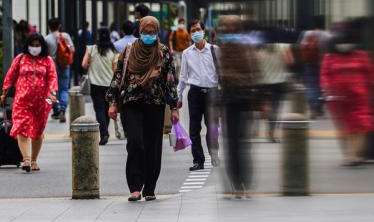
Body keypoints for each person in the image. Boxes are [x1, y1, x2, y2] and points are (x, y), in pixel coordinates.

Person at [107, 16, 178, 202]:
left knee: (153, 146)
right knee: (136, 142)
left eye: (152, 32)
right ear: (140, 31)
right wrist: (113, 102)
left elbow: (170, 81)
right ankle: (135, 187)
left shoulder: (163, 52)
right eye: (145, 32)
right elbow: (117, 77)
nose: (148, 35)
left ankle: (150, 188)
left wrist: (174, 107)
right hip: (132, 102)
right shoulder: (129, 51)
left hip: (155, 104)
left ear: (157, 32)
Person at [320, 25, 374, 166]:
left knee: (361, 125)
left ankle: (356, 155)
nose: (344, 45)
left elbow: (371, 74)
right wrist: (326, 89)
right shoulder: (329, 57)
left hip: (360, 95)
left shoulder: (362, 56)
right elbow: (324, 75)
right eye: (341, 42)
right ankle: (348, 154)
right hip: (337, 98)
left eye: (347, 41)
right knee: (344, 128)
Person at [217, 15, 260, 198]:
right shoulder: (221, 49)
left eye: (232, 26)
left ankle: (244, 184)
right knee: (231, 144)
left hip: (244, 98)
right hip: (229, 99)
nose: (229, 30)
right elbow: (217, 77)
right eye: (226, 26)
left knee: (243, 144)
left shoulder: (246, 47)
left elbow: (255, 73)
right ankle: (235, 184)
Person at [1, 33, 58, 172]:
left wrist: (52, 93)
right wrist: (4, 92)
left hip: (42, 101)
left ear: (42, 46)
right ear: (27, 45)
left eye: (38, 45)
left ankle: (34, 160)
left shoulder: (48, 60)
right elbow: (10, 76)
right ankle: (26, 159)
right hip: (22, 100)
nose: (34, 48)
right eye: (32, 45)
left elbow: (52, 78)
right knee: (21, 127)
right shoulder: (20, 59)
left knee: (38, 131)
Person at [177, 19, 220, 172]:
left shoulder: (215, 50)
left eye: (198, 30)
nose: (196, 33)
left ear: (203, 31)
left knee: (213, 127)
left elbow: (222, 73)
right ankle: (198, 160)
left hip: (212, 93)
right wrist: (179, 96)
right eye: (193, 30)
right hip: (194, 93)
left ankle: (214, 154)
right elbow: (182, 76)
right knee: (194, 129)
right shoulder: (187, 53)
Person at [82, 27, 118, 145]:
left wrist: (91, 65)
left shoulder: (91, 49)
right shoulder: (113, 51)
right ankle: (105, 132)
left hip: (95, 84)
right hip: (109, 85)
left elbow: (84, 64)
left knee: (99, 109)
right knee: (108, 108)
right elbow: (115, 69)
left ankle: (104, 133)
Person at [257, 27, 293, 142]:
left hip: (263, 82)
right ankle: (271, 132)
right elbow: (290, 62)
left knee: (267, 105)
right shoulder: (283, 47)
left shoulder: (259, 49)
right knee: (276, 107)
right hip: (279, 81)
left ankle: (266, 113)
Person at [45, 17, 75, 122]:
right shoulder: (65, 36)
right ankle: (63, 109)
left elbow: (45, 55)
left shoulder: (47, 39)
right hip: (65, 65)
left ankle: (56, 110)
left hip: (52, 67)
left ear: (49, 27)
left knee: (53, 90)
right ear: (59, 26)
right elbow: (72, 49)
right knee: (64, 89)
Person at [298, 16, 329, 118]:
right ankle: (319, 107)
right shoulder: (327, 35)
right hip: (324, 63)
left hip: (310, 62)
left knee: (311, 85)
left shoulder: (307, 33)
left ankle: (312, 107)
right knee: (323, 86)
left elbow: (300, 47)